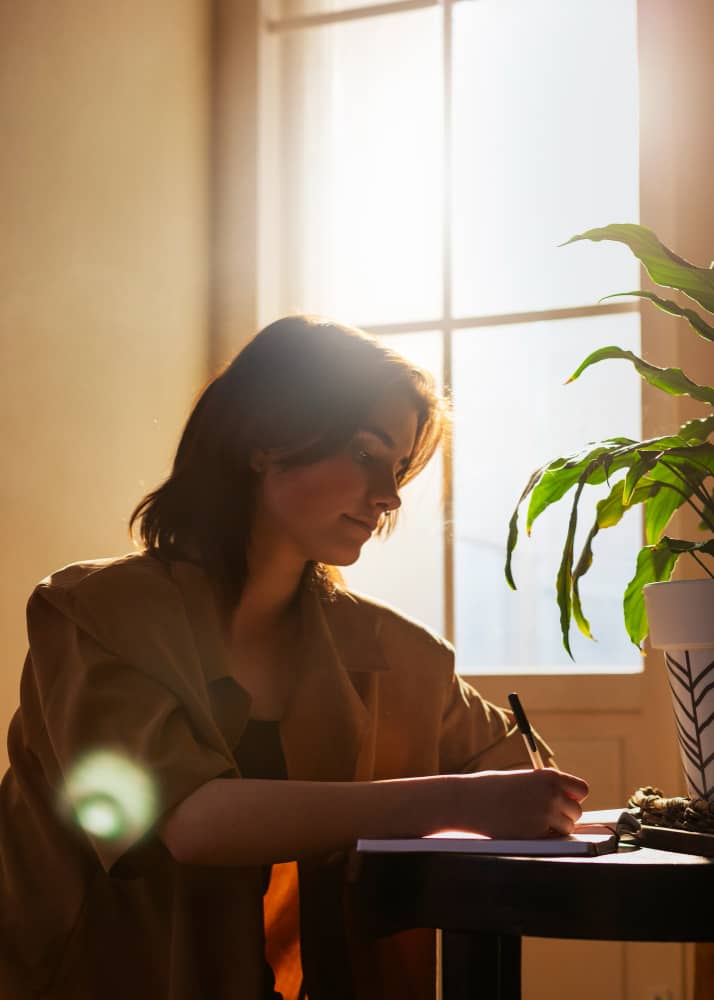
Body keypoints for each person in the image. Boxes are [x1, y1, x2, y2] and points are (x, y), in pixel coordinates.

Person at [0, 315, 588, 1000]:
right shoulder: (91, 613)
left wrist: (532, 798)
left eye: (398, 467)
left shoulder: (398, 651)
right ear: (266, 440)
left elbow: (522, 776)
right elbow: (188, 823)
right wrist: (459, 801)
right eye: (366, 454)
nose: (390, 495)